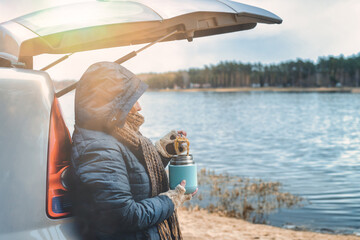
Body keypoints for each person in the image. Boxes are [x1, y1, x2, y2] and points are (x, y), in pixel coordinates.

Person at [70, 61, 198, 240]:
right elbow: (125, 216)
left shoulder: (112, 136)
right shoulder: (98, 147)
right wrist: (169, 201)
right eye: (131, 99)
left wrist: (162, 152)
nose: (139, 107)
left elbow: (133, 178)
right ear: (111, 104)